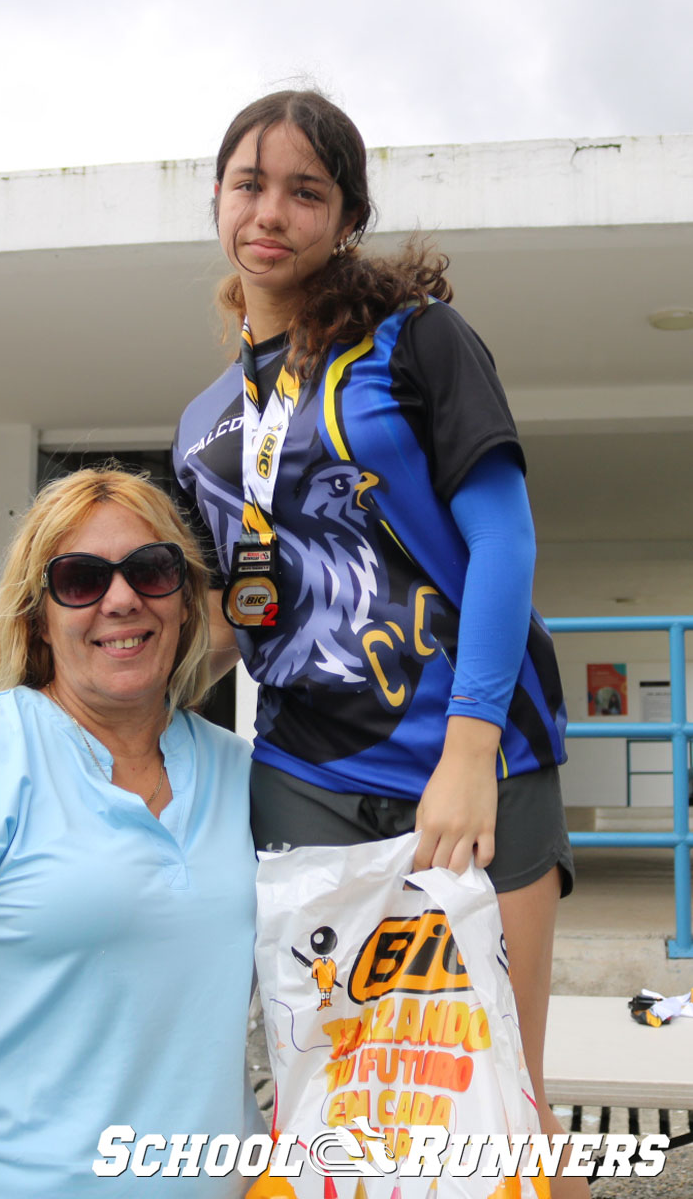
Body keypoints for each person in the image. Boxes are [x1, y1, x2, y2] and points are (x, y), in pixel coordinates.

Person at [172, 90, 587, 1198]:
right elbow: (241, 604)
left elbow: (505, 539)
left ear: (347, 216)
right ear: (215, 199)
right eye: (250, 184)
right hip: (303, 777)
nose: (273, 211)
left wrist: (466, 749)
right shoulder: (205, 424)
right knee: (335, 1109)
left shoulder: (417, 343)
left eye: (306, 190)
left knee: (504, 1109)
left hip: (475, 769)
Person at [0, 468, 261, 1198]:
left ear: (186, 598)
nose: (122, 599)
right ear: (38, 615)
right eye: (80, 580)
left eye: (152, 570)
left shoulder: (244, 776)